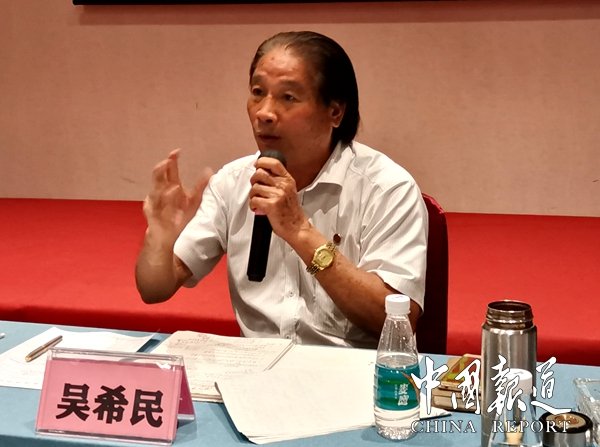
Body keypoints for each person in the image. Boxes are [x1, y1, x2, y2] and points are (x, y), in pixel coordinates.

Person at [135, 31, 428, 349]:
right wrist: (159, 242)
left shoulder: (386, 188)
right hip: (256, 367)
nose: (264, 112)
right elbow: (154, 290)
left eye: (288, 97)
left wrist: (300, 231)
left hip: (355, 371)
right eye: (257, 92)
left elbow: (395, 320)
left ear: (335, 112)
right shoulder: (232, 182)